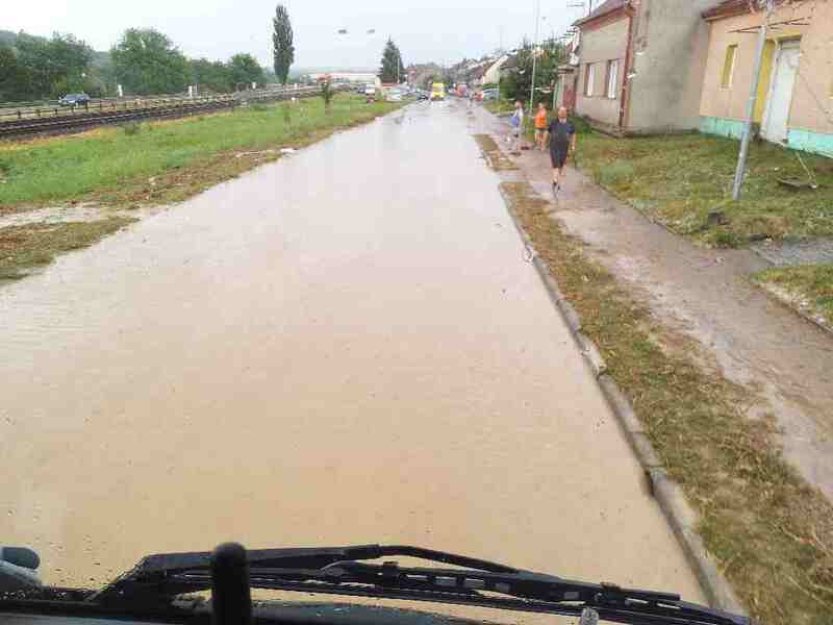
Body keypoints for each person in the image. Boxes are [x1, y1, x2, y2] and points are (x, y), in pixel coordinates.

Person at [546, 106, 577, 193]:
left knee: (561, 164)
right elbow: (548, 132)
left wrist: (573, 145)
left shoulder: (570, 124)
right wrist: (544, 143)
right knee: (555, 163)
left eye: (564, 111)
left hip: (564, 147)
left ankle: (557, 178)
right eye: (561, 111)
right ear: (558, 113)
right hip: (554, 146)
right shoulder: (554, 122)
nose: (562, 113)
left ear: (566, 113)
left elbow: (573, 135)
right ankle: (555, 180)